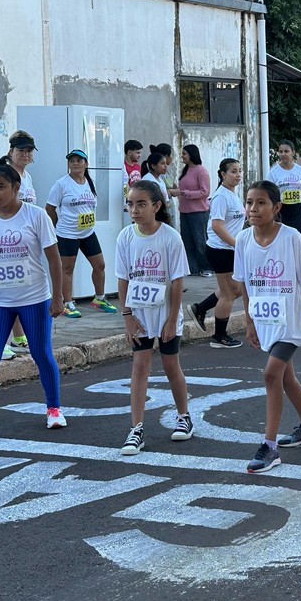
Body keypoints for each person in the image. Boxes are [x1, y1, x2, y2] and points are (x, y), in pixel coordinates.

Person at [0, 157, 65, 446]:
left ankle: (54, 408)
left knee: (41, 353)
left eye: (1, 187)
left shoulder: (35, 216)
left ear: (16, 187)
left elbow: (53, 258)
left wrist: (58, 297)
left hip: (34, 297)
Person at [233, 180, 301, 474]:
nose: (253, 209)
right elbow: (244, 283)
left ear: (276, 207)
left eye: (260, 203)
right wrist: (249, 321)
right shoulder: (243, 240)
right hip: (265, 320)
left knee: (271, 375)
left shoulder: (291, 237)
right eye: (249, 202)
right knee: (286, 379)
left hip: (292, 319)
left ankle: (269, 447)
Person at [117, 180, 193, 455]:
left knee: (171, 365)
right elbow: (123, 279)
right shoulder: (125, 237)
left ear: (156, 206)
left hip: (165, 315)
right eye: (130, 204)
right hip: (139, 315)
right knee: (140, 366)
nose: (134, 210)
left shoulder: (170, 237)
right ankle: (136, 428)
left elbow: (176, 282)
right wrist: (127, 315)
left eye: (141, 204)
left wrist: (172, 320)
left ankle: (184, 416)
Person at [45, 149, 117, 317]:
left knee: (100, 265)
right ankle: (67, 303)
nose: (75, 163)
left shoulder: (89, 182)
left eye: (79, 160)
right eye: (72, 161)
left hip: (87, 232)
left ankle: (99, 298)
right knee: (68, 268)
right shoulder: (61, 184)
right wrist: (55, 229)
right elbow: (49, 208)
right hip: (67, 234)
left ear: (86, 164)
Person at [190, 158, 245, 349]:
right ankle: (219, 336)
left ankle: (200, 308)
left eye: (239, 171)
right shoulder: (221, 196)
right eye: (233, 171)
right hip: (221, 250)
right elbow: (217, 226)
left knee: (234, 290)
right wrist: (237, 245)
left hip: (229, 249)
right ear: (223, 174)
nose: (238, 175)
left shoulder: (232, 194)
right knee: (229, 293)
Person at [0, 131, 39, 359]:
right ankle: (1, 341)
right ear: (11, 151)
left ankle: (18, 337)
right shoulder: (5, 173)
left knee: (19, 290)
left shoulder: (27, 176)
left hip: (25, 241)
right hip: (7, 240)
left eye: (29, 151)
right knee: (5, 291)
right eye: (20, 150)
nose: (25, 154)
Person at [177, 143, 213, 276]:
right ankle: (192, 268)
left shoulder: (201, 171)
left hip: (198, 212)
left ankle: (206, 267)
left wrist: (186, 193)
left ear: (192, 154)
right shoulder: (185, 170)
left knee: (200, 241)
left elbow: (205, 192)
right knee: (187, 241)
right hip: (184, 211)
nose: (182, 156)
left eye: (184, 154)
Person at [268, 140, 301, 244]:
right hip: (282, 210)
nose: (283, 154)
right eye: (281, 151)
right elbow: (270, 195)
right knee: (283, 240)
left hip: (298, 209)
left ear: (293, 152)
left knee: (300, 240)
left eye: (286, 151)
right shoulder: (273, 172)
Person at [152, 143, 179, 228]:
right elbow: (125, 186)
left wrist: (171, 191)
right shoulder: (153, 177)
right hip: (163, 207)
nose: (165, 167)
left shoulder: (163, 174)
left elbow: (175, 189)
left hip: (169, 206)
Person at [123, 139, 143, 223]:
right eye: (137, 153)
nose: (140, 155)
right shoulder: (123, 166)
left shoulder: (138, 166)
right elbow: (124, 186)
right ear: (129, 152)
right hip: (128, 203)